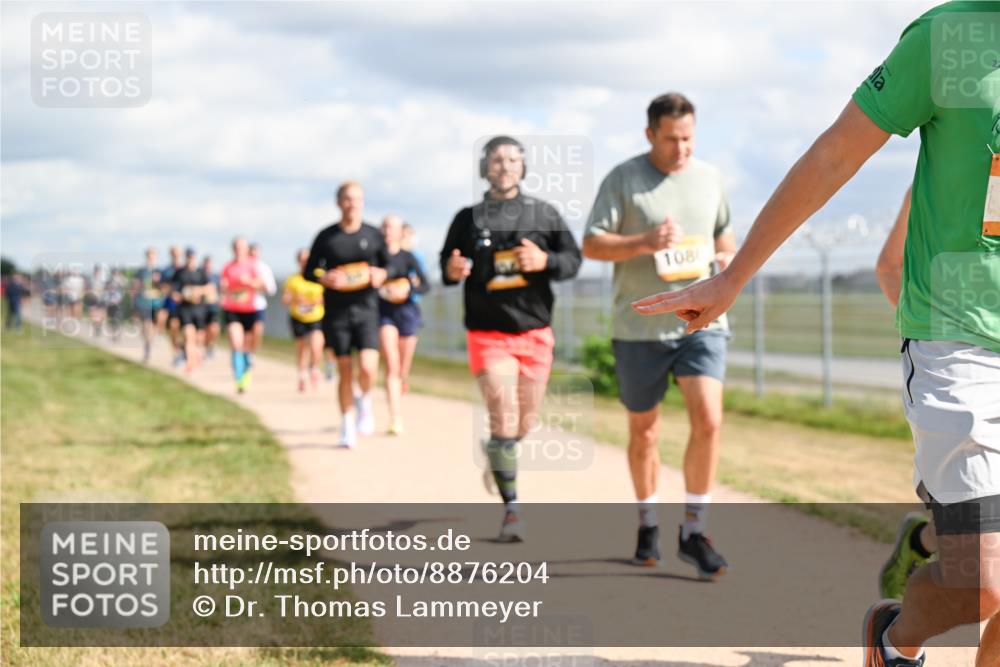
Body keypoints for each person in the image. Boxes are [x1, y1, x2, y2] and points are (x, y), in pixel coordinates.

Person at [631, 4, 999, 665]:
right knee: (984, 579)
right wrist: (734, 275)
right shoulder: (950, 37)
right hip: (958, 339)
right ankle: (894, 636)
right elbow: (835, 154)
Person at [582, 92, 736, 578]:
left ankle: (694, 529)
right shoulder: (624, 179)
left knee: (709, 419)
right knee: (644, 431)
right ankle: (648, 521)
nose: (681, 148)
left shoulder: (710, 179)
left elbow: (723, 239)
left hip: (700, 322)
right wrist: (643, 243)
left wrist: (724, 264)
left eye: (688, 138)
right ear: (650, 134)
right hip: (639, 327)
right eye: (671, 139)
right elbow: (591, 243)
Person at [440, 135, 581, 541]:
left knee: (524, 422)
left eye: (513, 160)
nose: (504, 166)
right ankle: (513, 510)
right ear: (485, 168)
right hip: (488, 334)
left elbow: (572, 261)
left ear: (523, 168)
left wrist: (545, 260)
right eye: (497, 160)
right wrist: (454, 269)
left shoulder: (544, 213)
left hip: (535, 332)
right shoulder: (467, 219)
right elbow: (448, 266)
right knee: (502, 411)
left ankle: (499, 451)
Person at [304, 181, 389, 448]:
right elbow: (310, 271)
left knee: (367, 367)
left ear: (362, 203)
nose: (352, 204)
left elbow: (391, 266)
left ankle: (364, 399)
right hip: (337, 313)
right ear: (339, 202)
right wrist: (325, 277)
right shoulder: (326, 237)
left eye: (357, 199)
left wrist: (382, 274)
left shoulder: (374, 235)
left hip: (367, 310)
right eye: (347, 199)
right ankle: (347, 424)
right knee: (344, 370)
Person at [378, 215, 430, 434]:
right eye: (385, 227)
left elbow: (425, 285)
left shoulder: (409, 257)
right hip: (383, 314)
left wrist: (407, 290)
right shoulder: (375, 256)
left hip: (407, 313)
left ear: (401, 232)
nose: (389, 231)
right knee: (392, 364)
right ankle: (395, 418)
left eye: (393, 227)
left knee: (402, 368)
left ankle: (402, 381)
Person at [221, 237, 265, 392]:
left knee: (246, 344)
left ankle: (246, 367)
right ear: (233, 249)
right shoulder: (228, 267)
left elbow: (262, 285)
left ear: (247, 249)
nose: (239, 250)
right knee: (236, 342)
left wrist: (249, 282)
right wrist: (225, 287)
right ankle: (239, 378)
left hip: (249, 310)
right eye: (236, 247)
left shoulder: (253, 266)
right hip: (232, 309)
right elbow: (223, 286)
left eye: (242, 247)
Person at [282, 248, 326, 393]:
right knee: (302, 349)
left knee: (316, 345)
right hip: (298, 317)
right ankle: (302, 376)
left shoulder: (320, 276)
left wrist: (318, 301)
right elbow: (285, 299)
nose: (305, 263)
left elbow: (329, 296)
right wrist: (296, 299)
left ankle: (314, 367)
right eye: (302, 260)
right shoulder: (293, 279)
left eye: (308, 260)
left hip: (316, 317)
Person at [170, 247, 210, 374]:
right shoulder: (180, 272)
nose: (190, 259)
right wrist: (178, 295)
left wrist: (198, 291)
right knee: (188, 335)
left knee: (198, 338)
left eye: (192, 256)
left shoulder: (201, 272)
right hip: (185, 308)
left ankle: (196, 358)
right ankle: (190, 365)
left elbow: (209, 288)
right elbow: (173, 290)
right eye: (188, 256)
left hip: (199, 309)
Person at [400, 221, 428, 393]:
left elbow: (422, 282)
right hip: (390, 307)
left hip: (410, 305)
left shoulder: (417, 256)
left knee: (407, 347)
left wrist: (408, 286)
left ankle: (402, 375)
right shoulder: (390, 255)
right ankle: (396, 376)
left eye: (409, 235)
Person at [248, 242, 277, 366]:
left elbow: (271, 289)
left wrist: (259, 284)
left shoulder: (264, 268)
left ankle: (252, 353)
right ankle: (245, 354)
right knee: (247, 333)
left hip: (258, 305)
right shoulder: (243, 267)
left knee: (257, 331)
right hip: (243, 305)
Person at [133, 248, 164, 362]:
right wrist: (135, 302)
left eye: (153, 256)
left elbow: (163, 287)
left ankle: (150, 341)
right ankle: (148, 347)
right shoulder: (141, 271)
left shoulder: (159, 271)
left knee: (154, 326)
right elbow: (135, 287)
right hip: (144, 303)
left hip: (156, 303)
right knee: (146, 325)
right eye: (149, 256)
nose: (151, 258)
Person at [159, 245, 187, 367]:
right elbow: (162, 287)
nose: (176, 255)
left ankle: (184, 350)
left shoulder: (185, 269)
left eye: (178, 253)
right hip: (171, 303)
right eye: (174, 253)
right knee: (173, 327)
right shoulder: (166, 270)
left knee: (187, 331)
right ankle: (176, 353)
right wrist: (171, 292)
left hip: (185, 304)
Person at [201, 255, 222, 359]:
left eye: (209, 264)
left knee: (215, 328)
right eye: (206, 264)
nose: (207, 266)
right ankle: (206, 347)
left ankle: (211, 345)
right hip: (201, 308)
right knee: (204, 331)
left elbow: (221, 291)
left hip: (213, 307)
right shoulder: (199, 276)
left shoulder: (216, 277)